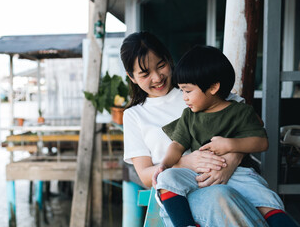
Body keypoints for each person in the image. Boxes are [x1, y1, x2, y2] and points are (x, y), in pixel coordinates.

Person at [121, 31, 272, 227]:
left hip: (232, 179)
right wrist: (186, 162)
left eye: (161, 66)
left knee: (248, 199)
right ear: (131, 77)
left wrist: (231, 159)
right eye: (145, 73)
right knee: (220, 196)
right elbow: (145, 176)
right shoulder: (134, 115)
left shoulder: (197, 84)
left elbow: (253, 124)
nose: (157, 77)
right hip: (182, 195)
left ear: (169, 58)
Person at [152, 45, 298, 227]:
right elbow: (176, 145)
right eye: (181, 91)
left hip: (239, 173)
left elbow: (261, 143)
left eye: (188, 91)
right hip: (197, 175)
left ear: (213, 87)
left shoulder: (240, 111)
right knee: (167, 178)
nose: (184, 97)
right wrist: (164, 164)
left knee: (266, 200)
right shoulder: (189, 116)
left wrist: (230, 145)